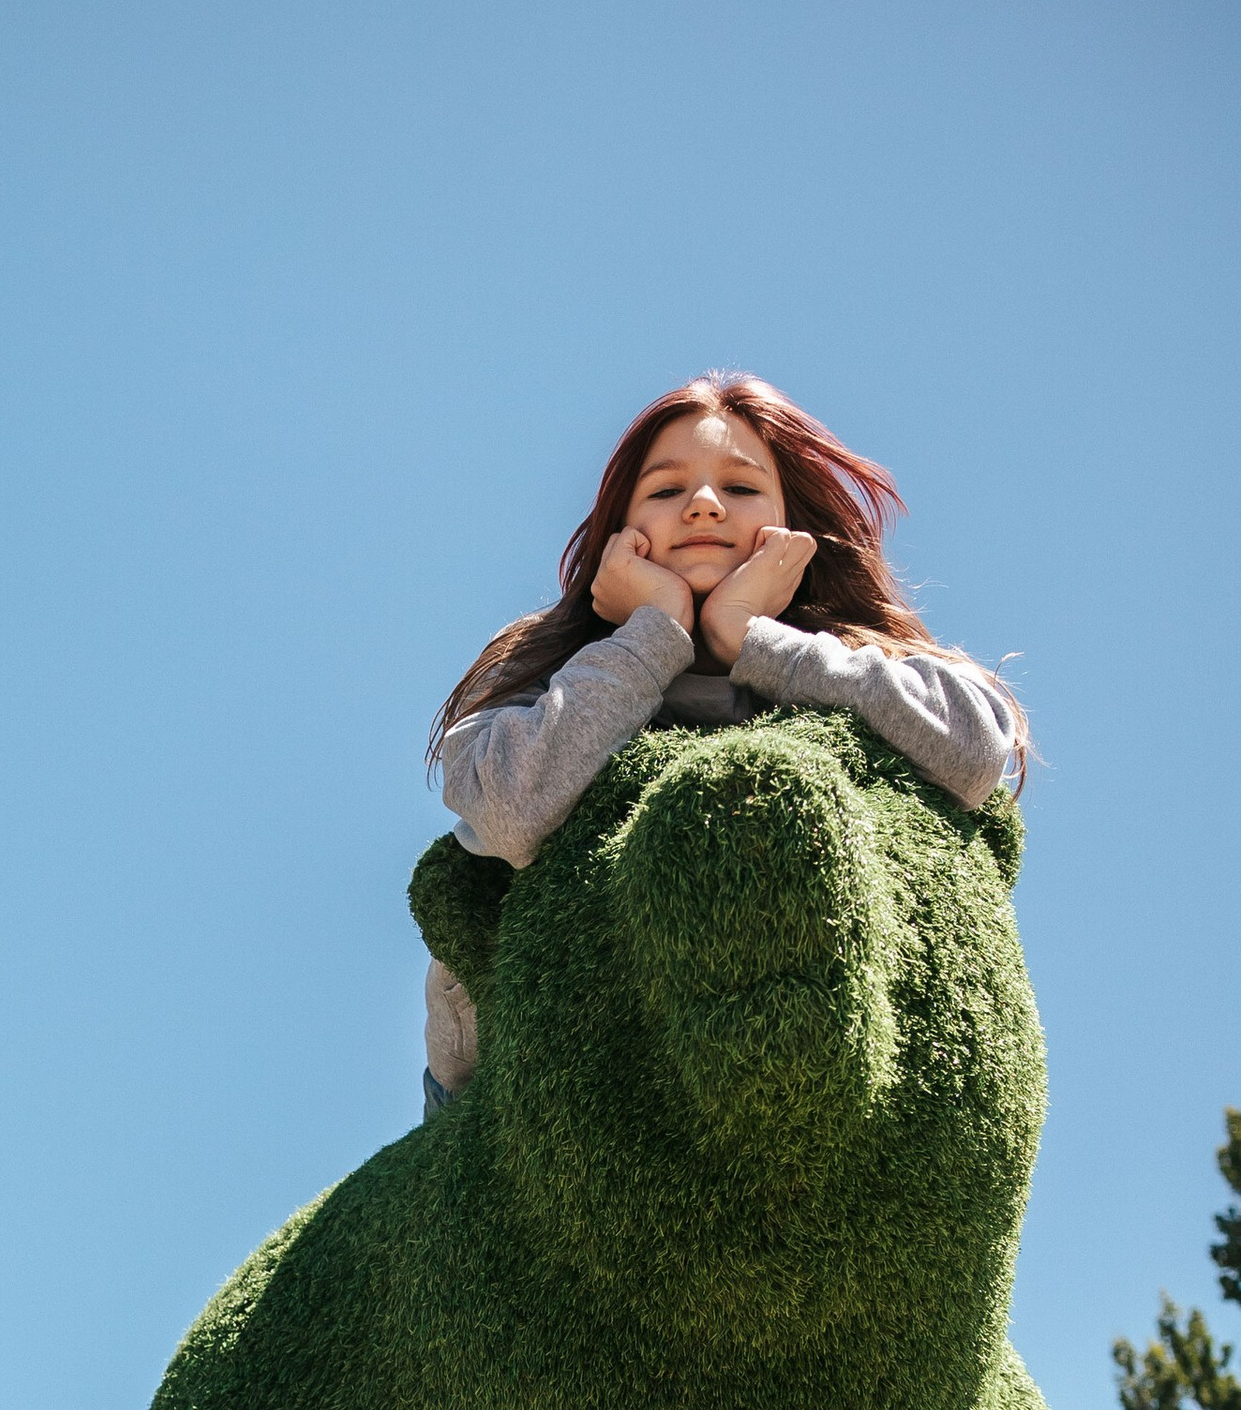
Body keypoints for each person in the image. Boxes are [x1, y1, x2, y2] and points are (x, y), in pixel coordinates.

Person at [420, 373, 1019, 1108]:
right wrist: (655, 633)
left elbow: (975, 753)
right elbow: (506, 808)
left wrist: (754, 637)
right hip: (541, 1095)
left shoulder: (852, 659)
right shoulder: (549, 670)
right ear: (620, 533)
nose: (704, 504)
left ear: (790, 528)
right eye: (666, 492)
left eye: (740, 488)